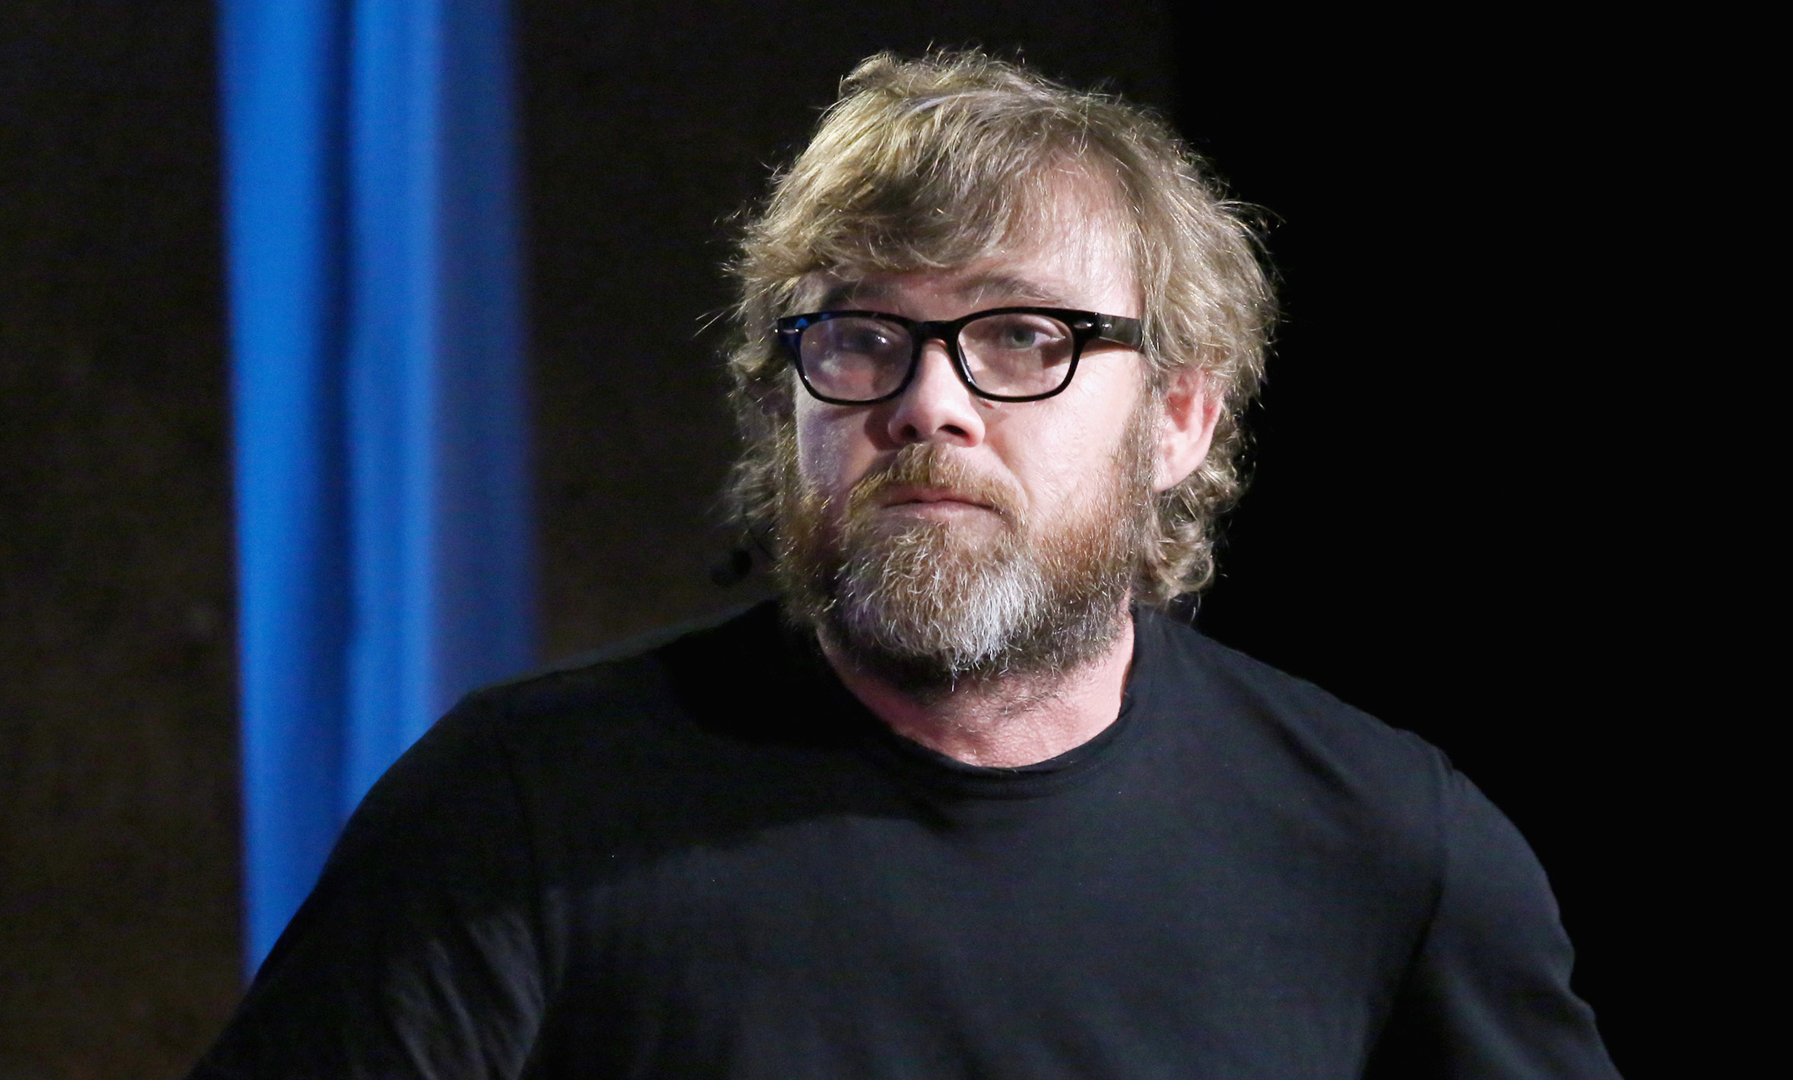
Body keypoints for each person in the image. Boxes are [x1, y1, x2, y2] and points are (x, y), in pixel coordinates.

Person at [190, 51, 1618, 1079]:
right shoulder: (517, 816)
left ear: (1180, 416)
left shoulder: (1388, 848)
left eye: (1021, 338)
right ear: (787, 400)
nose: (928, 402)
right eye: (861, 337)